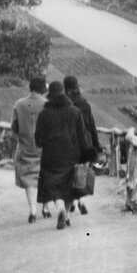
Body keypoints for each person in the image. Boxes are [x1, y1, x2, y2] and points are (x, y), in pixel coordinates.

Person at [34, 81, 90, 229]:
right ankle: (67, 215)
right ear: (64, 93)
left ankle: (60, 210)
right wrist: (86, 155)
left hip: (51, 158)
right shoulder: (75, 112)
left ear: (49, 96)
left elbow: (38, 141)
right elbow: (82, 138)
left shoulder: (44, 114)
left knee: (54, 186)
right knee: (70, 187)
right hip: (72, 155)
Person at [11, 75, 48, 223]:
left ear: (30, 88)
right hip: (44, 148)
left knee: (29, 179)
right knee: (45, 176)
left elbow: (14, 126)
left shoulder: (19, 104)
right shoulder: (48, 104)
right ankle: (45, 208)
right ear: (43, 90)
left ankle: (33, 211)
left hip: (25, 147)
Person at [63, 74, 101, 216]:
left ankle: (72, 201)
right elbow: (92, 125)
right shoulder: (84, 103)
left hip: (70, 142)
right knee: (82, 172)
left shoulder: (66, 104)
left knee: (70, 172)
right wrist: (96, 146)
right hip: (86, 141)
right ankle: (80, 202)